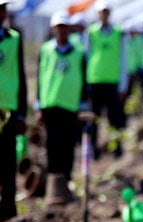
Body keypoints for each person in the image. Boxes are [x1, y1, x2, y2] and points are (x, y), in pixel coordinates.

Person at [36, 12, 87, 186]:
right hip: (50, 104)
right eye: (58, 27)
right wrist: (38, 104)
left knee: (68, 144)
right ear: (53, 29)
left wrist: (83, 104)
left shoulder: (78, 52)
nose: (61, 31)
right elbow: (40, 77)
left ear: (69, 29)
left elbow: (84, 80)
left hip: (70, 105)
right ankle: (53, 181)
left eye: (64, 27)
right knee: (52, 144)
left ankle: (67, 179)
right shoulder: (46, 50)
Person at [86, 0, 128, 158]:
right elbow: (86, 57)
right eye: (101, 12)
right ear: (98, 14)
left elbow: (124, 60)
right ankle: (93, 150)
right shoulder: (91, 33)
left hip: (112, 82)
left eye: (106, 12)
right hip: (94, 82)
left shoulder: (119, 33)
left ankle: (116, 148)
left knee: (115, 119)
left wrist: (122, 85)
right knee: (93, 119)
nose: (104, 15)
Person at [0, 0, 27, 222]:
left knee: (8, 161)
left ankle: (8, 209)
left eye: (2, 9)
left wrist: (21, 114)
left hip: (7, 109)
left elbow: (21, 76)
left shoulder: (14, 38)